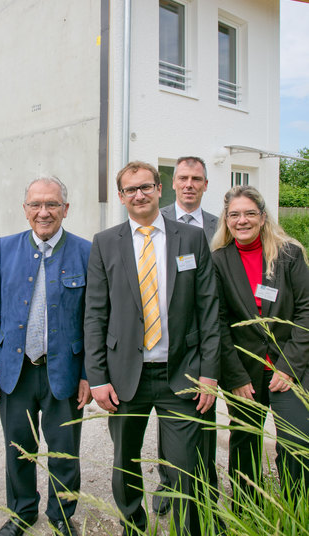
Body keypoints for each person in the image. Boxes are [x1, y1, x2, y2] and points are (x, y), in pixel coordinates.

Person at [84, 161, 220, 536]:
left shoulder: (189, 239)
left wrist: (209, 371)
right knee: (124, 464)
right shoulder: (105, 242)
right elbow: (95, 314)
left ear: (161, 189)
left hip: (183, 373)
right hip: (127, 375)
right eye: (131, 190)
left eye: (146, 187)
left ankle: (189, 528)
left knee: (185, 468)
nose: (139, 195)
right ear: (121, 196)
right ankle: (135, 526)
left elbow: (208, 308)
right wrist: (97, 378)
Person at [0, 177, 91, 536]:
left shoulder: (86, 252)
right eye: (36, 205)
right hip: (17, 370)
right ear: (25, 209)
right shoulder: (7, 248)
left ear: (65, 209)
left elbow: (94, 319)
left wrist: (90, 374)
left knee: (64, 450)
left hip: (65, 370)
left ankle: (61, 515)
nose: (44, 212)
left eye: (52, 205)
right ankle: (22, 512)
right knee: (19, 448)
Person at [211, 185, 309, 502]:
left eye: (250, 213)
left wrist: (290, 367)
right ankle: (245, 509)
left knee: (297, 441)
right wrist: (235, 376)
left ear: (263, 217)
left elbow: (306, 310)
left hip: (288, 367)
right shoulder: (218, 261)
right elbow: (219, 323)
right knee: (244, 442)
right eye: (234, 214)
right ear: (226, 220)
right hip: (244, 370)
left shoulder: (289, 254)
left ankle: (298, 509)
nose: (242, 220)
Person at [154, 156, 219, 514]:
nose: (190, 184)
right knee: (170, 419)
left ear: (206, 185)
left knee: (203, 416)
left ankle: (205, 484)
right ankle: (169, 483)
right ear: (173, 184)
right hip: (167, 337)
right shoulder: (155, 219)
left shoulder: (218, 225)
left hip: (205, 334)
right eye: (184, 178)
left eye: (197, 178)